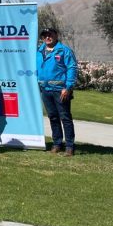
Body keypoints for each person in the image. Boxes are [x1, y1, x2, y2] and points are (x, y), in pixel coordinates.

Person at [37, 28, 78, 157]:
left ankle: (70, 146)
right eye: (45, 36)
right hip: (45, 89)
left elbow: (72, 68)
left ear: (56, 36)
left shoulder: (64, 50)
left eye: (50, 35)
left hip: (61, 90)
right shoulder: (38, 51)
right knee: (53, 117)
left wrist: (68, 87)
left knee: (65, 117)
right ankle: (57, 144)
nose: (48, 37)